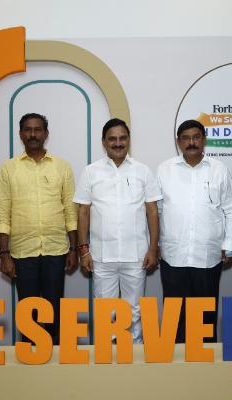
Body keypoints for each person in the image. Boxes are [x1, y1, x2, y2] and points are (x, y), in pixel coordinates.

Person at [74, 118, 161, 343]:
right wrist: (83, 251)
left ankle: (134, 353)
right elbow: (83, 212)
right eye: (112, 139)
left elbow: (152, 211)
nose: (118, 143)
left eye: (122, 138)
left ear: (129, 140)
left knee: (134, 310)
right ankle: (107, 355)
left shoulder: (143, 171)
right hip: (101, 256)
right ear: (103, 142)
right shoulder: (90, 172)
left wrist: (153, 249)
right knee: (105, 311)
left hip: (136, 255)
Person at [0, 113, 78, 345]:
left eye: (38, 129)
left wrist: (73, 249)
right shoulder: (9, 168)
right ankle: (30, 360)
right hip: (22, 252)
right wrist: (4, 254)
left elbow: (70, 211)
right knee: (28, 313)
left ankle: (54, 358)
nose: (33, 134)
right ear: (21, 134)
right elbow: (2, 212)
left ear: (46, 134)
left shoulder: (61, 166)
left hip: (56, 250)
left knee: (54, 311)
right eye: (28, 130)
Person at [157, 119, 232, 343]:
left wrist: (230, 246)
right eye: (186, 138)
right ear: (178, 142)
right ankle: (175, 360)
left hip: (208, 257)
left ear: (204, 140)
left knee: (205, 318)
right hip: (173, 256)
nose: (191, 142)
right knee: (175, 318)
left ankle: (205, 361)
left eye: (196, 137)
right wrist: (154, 245)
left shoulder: (219, 169)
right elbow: (156, 211)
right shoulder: (165, 169)